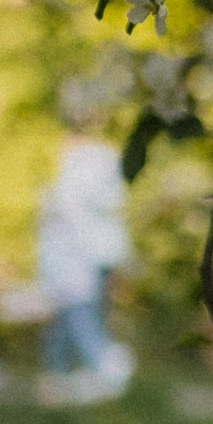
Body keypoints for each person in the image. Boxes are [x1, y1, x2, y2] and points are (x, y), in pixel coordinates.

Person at [34, 118, 134, 400]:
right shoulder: (108, 163)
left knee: (79, 311)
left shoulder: (75, 171)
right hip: (105, 250)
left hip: (80, 255)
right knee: (83, 312)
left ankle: (104, 365)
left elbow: (68, 217)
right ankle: (58, 370)